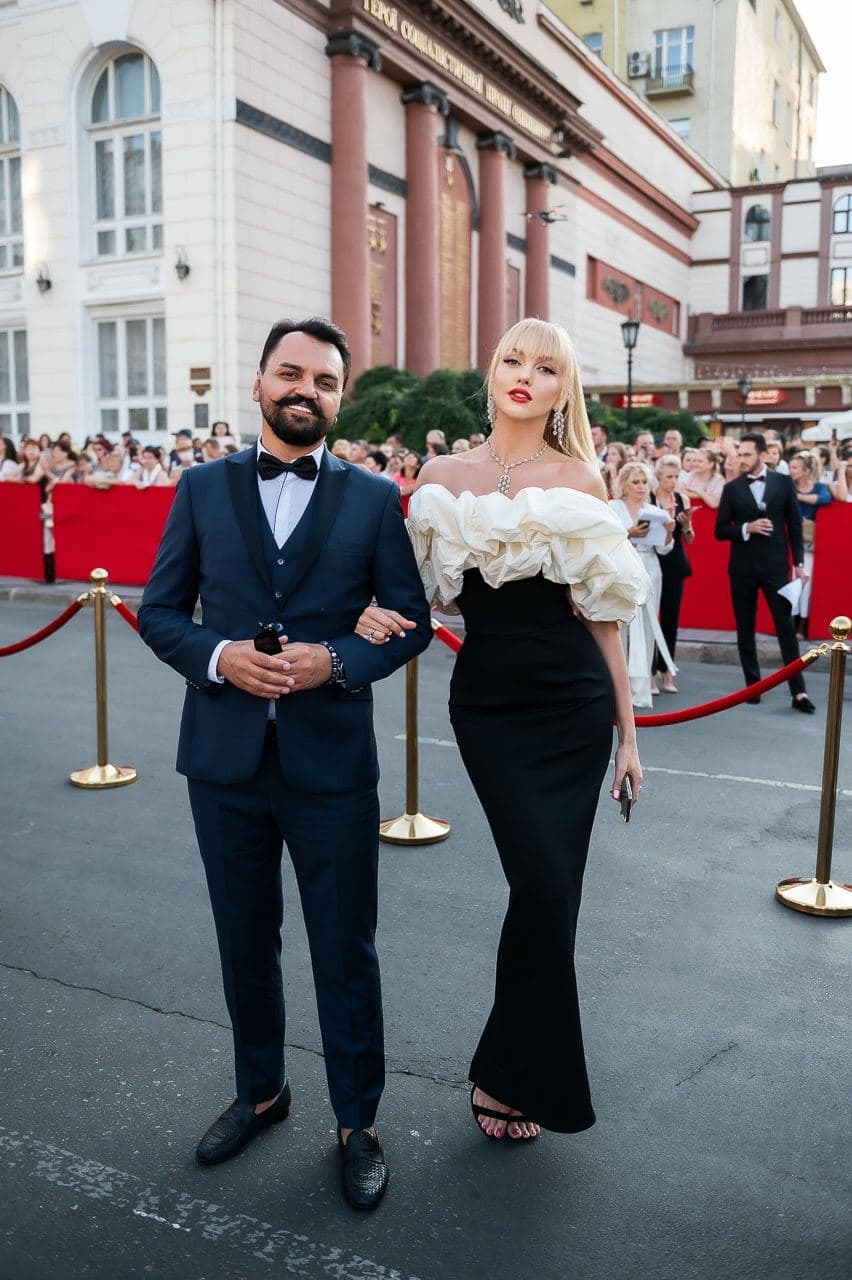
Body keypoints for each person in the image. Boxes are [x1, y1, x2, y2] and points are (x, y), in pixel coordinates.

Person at [138, 317, 431, 1211]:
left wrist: (334, 659)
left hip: (331, 765)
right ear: (260, 382)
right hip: (222, 762)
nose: (307, 390)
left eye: (325, 380)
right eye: (291, 373)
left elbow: (409, 622)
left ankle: (357, 1123)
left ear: (341, 398)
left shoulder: (374, 499)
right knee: (244, 941)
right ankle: (260, 1093)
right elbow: (160, 611)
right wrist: (220, 656)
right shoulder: (200, 487)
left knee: (345, 949)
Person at [354, 317, 648, 1142]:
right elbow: (410, 591)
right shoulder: (442, 476)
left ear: (563, 390)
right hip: (489, 705)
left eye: (545, 368)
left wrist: (629, 734)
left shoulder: (580, 477)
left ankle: (508, 1070)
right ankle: (517, 1067)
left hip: (574, 705)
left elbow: (602, 616)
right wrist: (365, 613)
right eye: (513, 360)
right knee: (542, 885)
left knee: (549, 892)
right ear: (492, 373)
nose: (525, 375)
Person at [715, 432, 814, 713]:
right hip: (742, 568)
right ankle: (753, 686)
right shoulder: (732, 488)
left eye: (747, 454)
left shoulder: (783, 482)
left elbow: (795, 525)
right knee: (744, 628)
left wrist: (799, 564)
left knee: (785, 628)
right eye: (739, 454)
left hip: (775, 567)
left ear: (762, 454)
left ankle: (799, 691)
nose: (741, 459)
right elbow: (719, 530)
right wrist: (746, 528)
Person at [609, 462, 677, 705]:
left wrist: (669, 532)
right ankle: (617, 687)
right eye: (635, 482)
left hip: (649, 569)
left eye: (644, 482)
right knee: (620, 625)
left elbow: (665, 549)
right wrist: (629, 532)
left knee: (648, 626)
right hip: (621, 568)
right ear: (624, 485)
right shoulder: (613, 507)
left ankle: (640, 687)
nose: (640, 487)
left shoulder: (654, 511)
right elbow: (604, 538)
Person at [651, 455, 694, 693]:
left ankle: (666, 671)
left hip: (675, 561)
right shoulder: (649, 497)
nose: (673, 481)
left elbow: (689, 538)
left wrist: (686, 526)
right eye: (669, 477)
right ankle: (649, 671)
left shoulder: (682, 499)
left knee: (670, 618)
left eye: (676, 476)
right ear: (658, 476)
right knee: (649, 618)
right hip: (651, 560)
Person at [788, 451, 831, 637]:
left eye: (795, 467)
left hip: (809, 544)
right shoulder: (787, 485)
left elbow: (824, 499)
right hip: (789, 542)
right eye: (790, 467)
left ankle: (803, 623)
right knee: (790, 581)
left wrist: (796, 496)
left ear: (806, 471)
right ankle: (790, 621)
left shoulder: (819, 487)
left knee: (806, 583)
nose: (790, 471)